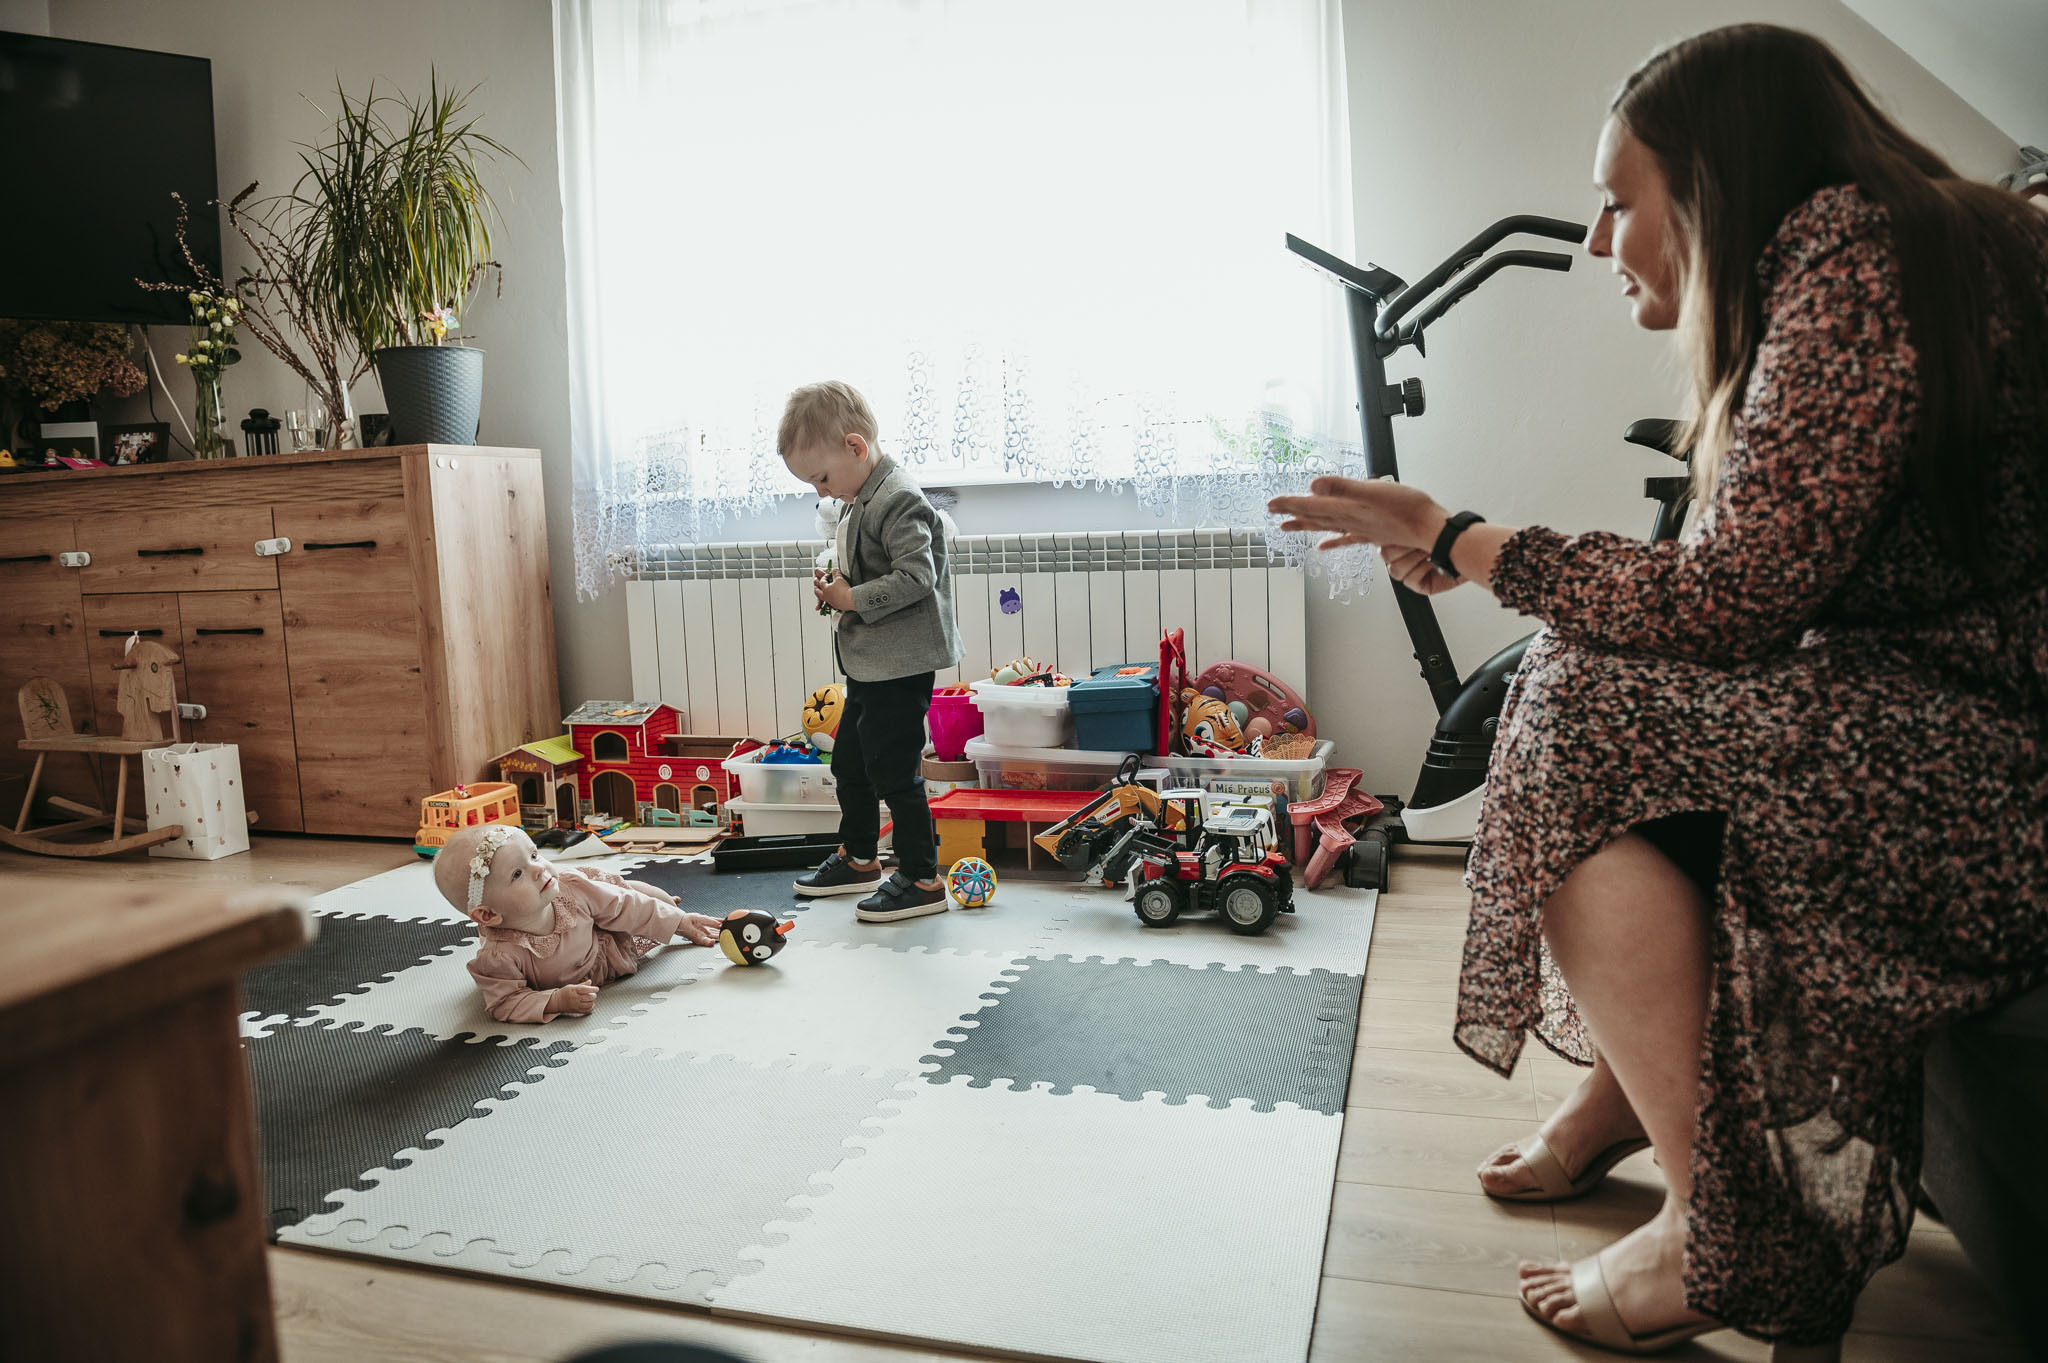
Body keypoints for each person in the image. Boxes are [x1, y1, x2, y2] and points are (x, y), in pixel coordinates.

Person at [1271, 23, 2048, 1358]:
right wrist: (1476, 549)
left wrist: (1463, 535)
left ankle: (1723, 1226)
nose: (1595, 239)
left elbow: (1728, 601)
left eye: (1617, 201)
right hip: (1951, 712)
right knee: (1586, 677)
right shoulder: (1884, 250)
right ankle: (1637, 1096)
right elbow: (1748, 586)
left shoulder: (1858, 270)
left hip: (1991, 760)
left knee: (1573, 705)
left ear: (1712, 185)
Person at [781, 381, 963, 921]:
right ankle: (861, 857)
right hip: (869, 662)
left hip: (900, 666)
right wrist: (837, 585)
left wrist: (851, 598)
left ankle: (923, 877)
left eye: (822, 478)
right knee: (850, 763)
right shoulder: (860, 495)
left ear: (855, 447)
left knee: (895, 772)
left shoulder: (898, 498)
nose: (822, 491)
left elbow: (917, 577)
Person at [434, 824, 723, 1023]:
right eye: (517, 874)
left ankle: (672, 910)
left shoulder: (568, 888)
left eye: (534, 855)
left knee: (645, 900)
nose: (539, 869)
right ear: (488, 915)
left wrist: (680, 923)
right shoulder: (499, 956)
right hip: (592, 940)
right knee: (634, 904)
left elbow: (625, 905)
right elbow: (505, 1002)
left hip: (604, 926)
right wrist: (556, 1001)